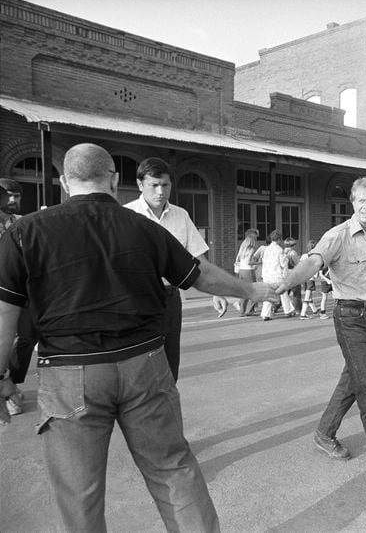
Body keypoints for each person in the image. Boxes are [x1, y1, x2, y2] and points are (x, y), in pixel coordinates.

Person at [0, 143, 271, 531]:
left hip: (69, 372)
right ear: (114, 179)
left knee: (79, 494)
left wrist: (1, 377)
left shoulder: (25, 233)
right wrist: (251, 291)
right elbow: (200, 274)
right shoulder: (144, 228)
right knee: (173, 470)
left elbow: (3, 314)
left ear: (63, 182)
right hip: (143, 364)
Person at [272, 176, 366, 497]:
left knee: (352, 380)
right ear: (352, 203)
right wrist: (287, 281)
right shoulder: (338, 236)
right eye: (361, 200)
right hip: (350, 318)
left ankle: (324, 433)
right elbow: (312, 262)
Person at [124, 157, 226, 381]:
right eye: (154, 185)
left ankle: (166, 411)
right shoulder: (126, 215)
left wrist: (215, 291)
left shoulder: (181, 215)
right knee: (139, 366)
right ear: (141, 185)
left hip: (170, 298)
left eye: (165, 185)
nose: (160, 191)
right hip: (137, 301)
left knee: (170, 364)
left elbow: (200, 258)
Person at [0, 178, 38, 416]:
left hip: (19, 292)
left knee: (26, 338)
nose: (13, 200)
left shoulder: (23, 223)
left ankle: (12, 384)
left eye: (17, 195)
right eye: (9, 195)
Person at [254, 230, 296, 320]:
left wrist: (263, 275)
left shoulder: (267, 249)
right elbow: (283, 264)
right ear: (279, 239)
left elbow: (264, 263)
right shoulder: (279, 250)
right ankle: (288, 310)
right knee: (283, 293)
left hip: (267, 275)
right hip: (277, 275)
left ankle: (265, 314)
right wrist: (285, 272)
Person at [234, 228, 260, 316]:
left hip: (241, 271)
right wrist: (260, 262)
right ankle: (250, 310)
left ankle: (242, 311)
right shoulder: (251, 249)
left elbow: (237, 260)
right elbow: (249, 262)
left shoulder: (242, 249)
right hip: (249, 271)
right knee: (254, 290)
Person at [299, 239, 319, 320]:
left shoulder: (304, 256)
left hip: (304, 278)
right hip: (311, 278)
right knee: (307, 296)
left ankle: (314, 309)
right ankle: (303, 314)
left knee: (309, 295)